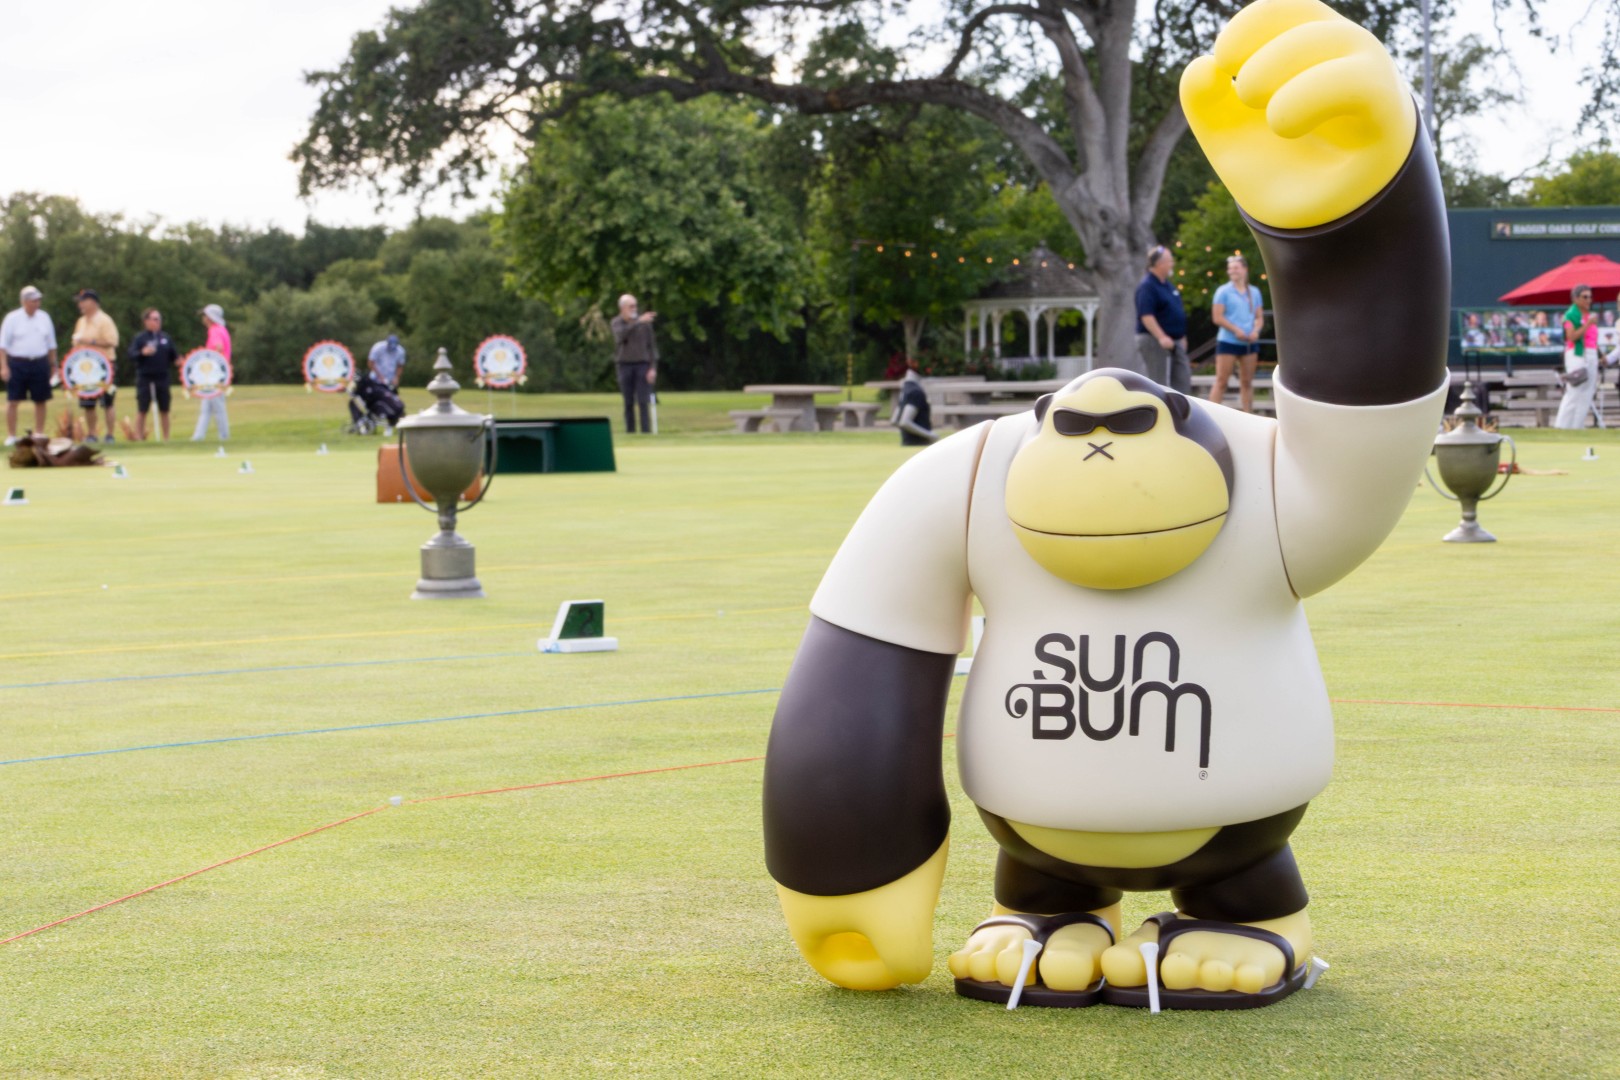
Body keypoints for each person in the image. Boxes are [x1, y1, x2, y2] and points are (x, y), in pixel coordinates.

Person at [1, 285, 57, 447]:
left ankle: (38, 433)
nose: (37, 303)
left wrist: (54, 366)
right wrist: (3, 366)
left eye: (38, 300)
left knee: (41, 399)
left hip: (40, 362)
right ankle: (12, 436)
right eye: (33, 301)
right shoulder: (12, 318)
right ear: (24, 302)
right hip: (17, 363)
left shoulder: (44, 317)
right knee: (13, 400)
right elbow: (3, 346)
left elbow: (51, 345)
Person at [1209, 255, 1264, 412]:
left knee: (1247, 382)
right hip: (1228, 341)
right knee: (1222, 381)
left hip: (1249, 342)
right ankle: (1211, 414)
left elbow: (1259, 317)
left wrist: (1256, 331)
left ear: (1245, 269)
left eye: (1236, 268)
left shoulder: (1254, 292)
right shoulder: (1223, 291)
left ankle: (1248, 415)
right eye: (1230, 268)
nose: (1232, 271)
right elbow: (1217, 317)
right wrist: (1236, 330)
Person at [1134, 245, 1191, 393]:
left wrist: (1181, 335)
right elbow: (1146, 315)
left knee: (1183, 379)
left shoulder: (1168, 286)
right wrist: (1161, 337)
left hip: (1175, 340)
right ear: (1160, 263)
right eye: (1170, 261)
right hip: (1154, 340)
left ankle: (1181, 406)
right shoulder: (1147, 286)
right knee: (1158, 382)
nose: (1172, 264)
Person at [71, 289, 120, 443]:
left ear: (92, 302)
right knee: (88, 403)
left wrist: (90, 342)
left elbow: (112, 341)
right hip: (85, 367)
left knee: (107, 402)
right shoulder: (81, 321)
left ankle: (110, 434)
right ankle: (92, 434)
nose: (80, 305)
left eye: (82, 301)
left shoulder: (105, 320)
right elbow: (76, 344)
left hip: (104, 366)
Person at [128, 308, 180, 441]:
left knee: (165, 409)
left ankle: (166, 438)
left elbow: (175, 356)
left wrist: (181, 361)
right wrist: (142, 353)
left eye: (159, 319)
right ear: (146, 321)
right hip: (145, 377)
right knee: (142, 409)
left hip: (162, 377)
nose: (158, 322)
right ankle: (139, 437)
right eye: (155, 319)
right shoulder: (140, 338)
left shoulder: (165, 338)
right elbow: (131, 354)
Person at [611, 293, 658, 434]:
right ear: (622, 308)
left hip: (642, 364)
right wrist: (637, 322)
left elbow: (651, 347)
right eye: (631, 306)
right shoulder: (616, 322)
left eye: (635, 306)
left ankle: (646, 431)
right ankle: (630, 431)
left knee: (643, 401)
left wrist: (653, 368)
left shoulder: (645, 324)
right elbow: (620, 336)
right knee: (628, 401)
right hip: (624, 365)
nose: (634, 309)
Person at [1554, 284, 1599, 430]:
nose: (1589, 300)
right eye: (1585, 297)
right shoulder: (1570, 315)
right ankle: (1562, 426)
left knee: (1587, 392)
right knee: (1574, 391)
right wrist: (1588, 324)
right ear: (1575, 298)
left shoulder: (1589, 315)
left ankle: (1577, 426)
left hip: (1590, 354)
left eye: (1590, 297)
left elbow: (1592, 339)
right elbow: (1572, 337)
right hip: (1577, 355)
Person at [193, 304, 231, 442]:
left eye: (205, 315)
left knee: (217, 406)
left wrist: (210, 366)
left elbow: (218, 347)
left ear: (210, 317)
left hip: (215, 375)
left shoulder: (214, 330)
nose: (203, 318)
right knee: (207, 407)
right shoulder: (222, 329)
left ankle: (224, 436)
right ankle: (198, 436)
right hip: (216, 374)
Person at [894, 362, 938, 446]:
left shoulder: (905, 390)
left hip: (907, 443)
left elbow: (895, 420)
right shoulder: (916, 392)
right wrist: (930, 435)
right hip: (919, 443)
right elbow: (904, 422)